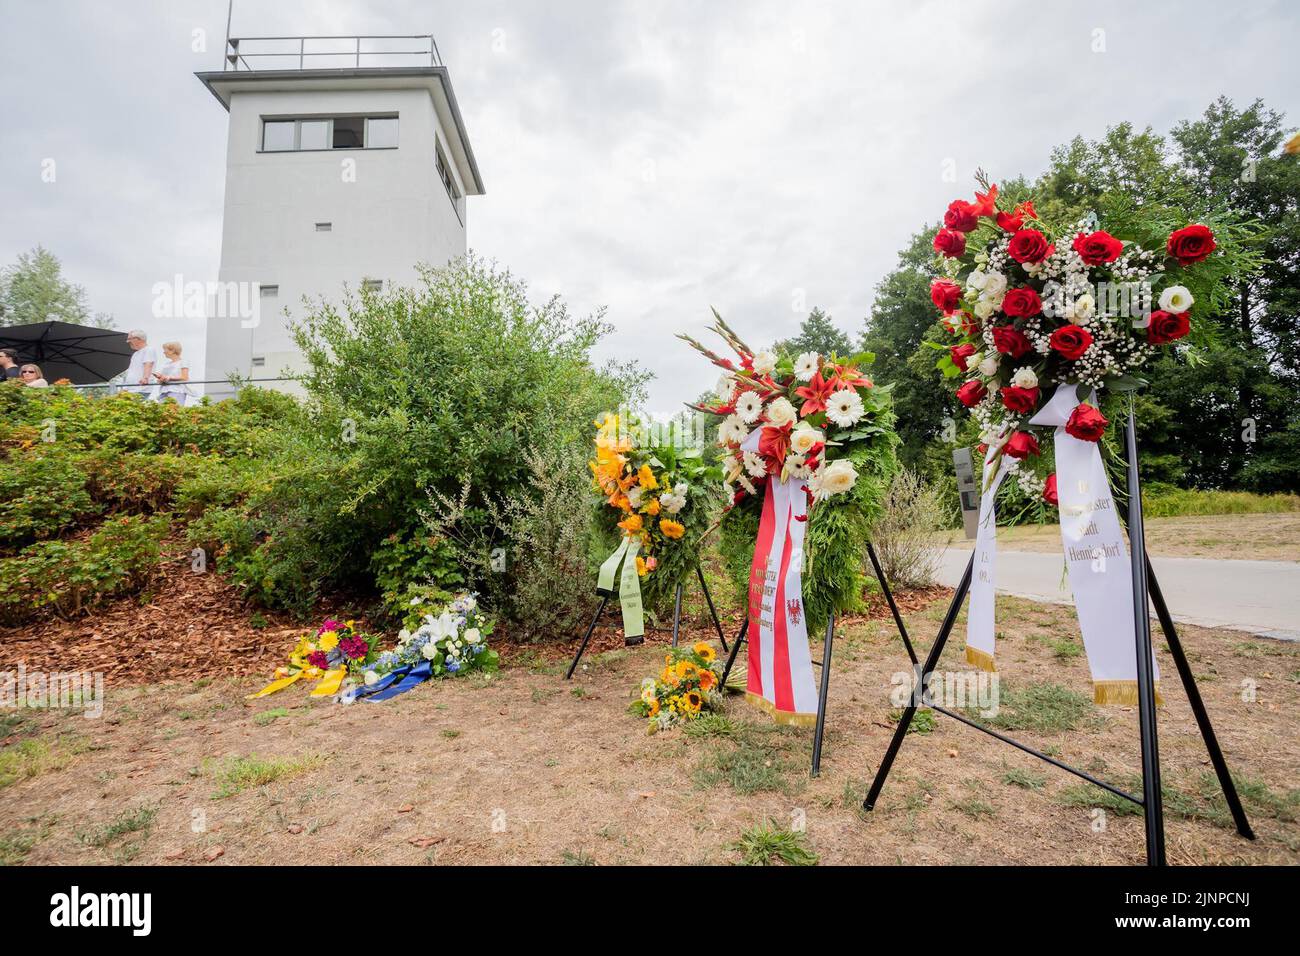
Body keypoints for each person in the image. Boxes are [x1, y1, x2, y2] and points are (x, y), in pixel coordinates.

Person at [123, 329, 158, 397]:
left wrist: (145, 378)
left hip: (141, 389)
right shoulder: (135, 354)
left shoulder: (149, 350)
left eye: (130, 339)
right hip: (130, 389)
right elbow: (132, 371)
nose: (127, 342)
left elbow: (148, 364)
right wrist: (125, 388)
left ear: (138, 339)